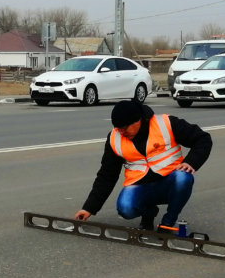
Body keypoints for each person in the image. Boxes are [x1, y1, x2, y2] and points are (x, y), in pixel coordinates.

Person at [72, 99, 213, 233]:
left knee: (183, 177)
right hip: (141, 186)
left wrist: (190, 162)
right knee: (125, 208)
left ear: (139, 119)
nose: (122, 132)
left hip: (170, 182)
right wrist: (89, 208)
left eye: (125, 127)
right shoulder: (114, 139)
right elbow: (106, 176)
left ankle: (168, 222)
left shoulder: (166, 123)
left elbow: (203, 139)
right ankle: (149, 213)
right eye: (118, 128)